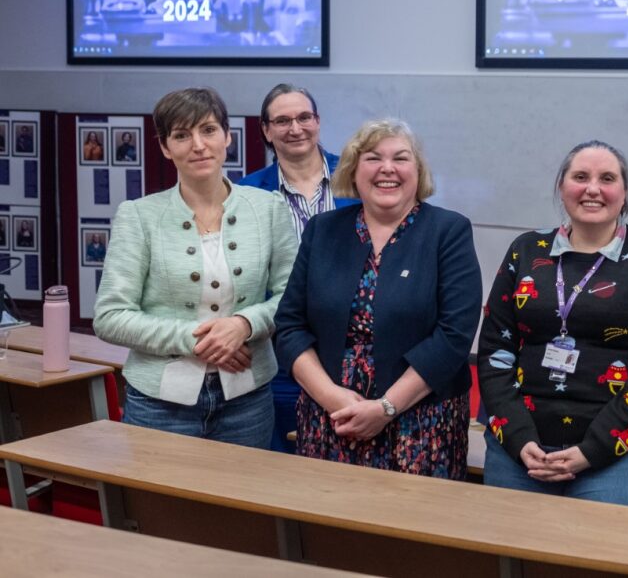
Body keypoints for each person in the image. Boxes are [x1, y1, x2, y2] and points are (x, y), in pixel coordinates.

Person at [477, 140, 628, 508]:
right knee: (511, 563)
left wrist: (594, 449)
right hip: (524, 451)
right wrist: (518, 439)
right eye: (580, 177)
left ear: (624, 194)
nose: (593, 188)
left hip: (627, 457)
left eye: (607, 178)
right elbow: (495, 351)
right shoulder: (526, 250)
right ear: (562, 188)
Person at [274, 119, 482, 479]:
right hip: (331, 418)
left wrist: (386, 408)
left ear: (418, 172)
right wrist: (331, 398)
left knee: (413, 530)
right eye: (373, 158)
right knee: (328, 527)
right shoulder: (323, 231)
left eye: (401, 158)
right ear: (354, 171)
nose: (387, 168)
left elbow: (454, 335)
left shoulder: (448, 232)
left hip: (421, 425)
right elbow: (289, 326)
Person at [94, 87, 298, 447]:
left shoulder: (269, 208)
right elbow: (110, 316)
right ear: (164, 147)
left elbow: (293, 298)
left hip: (247, 400)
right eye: (181, 135)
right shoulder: (139, 216)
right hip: (160, 403)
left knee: (240, 503)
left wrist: (243, 324)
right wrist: (201, 340)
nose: (198, 145)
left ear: (227, 137)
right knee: (158, 504)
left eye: (208, 130)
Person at [239, 83, 356, 452]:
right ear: (266, 130)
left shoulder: (358, 179)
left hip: (353, 349)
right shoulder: (245, 194)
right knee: (282, 468)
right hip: (280, 355)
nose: (295, 128)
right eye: (283, 120)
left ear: (318, 122)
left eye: (304, 117)